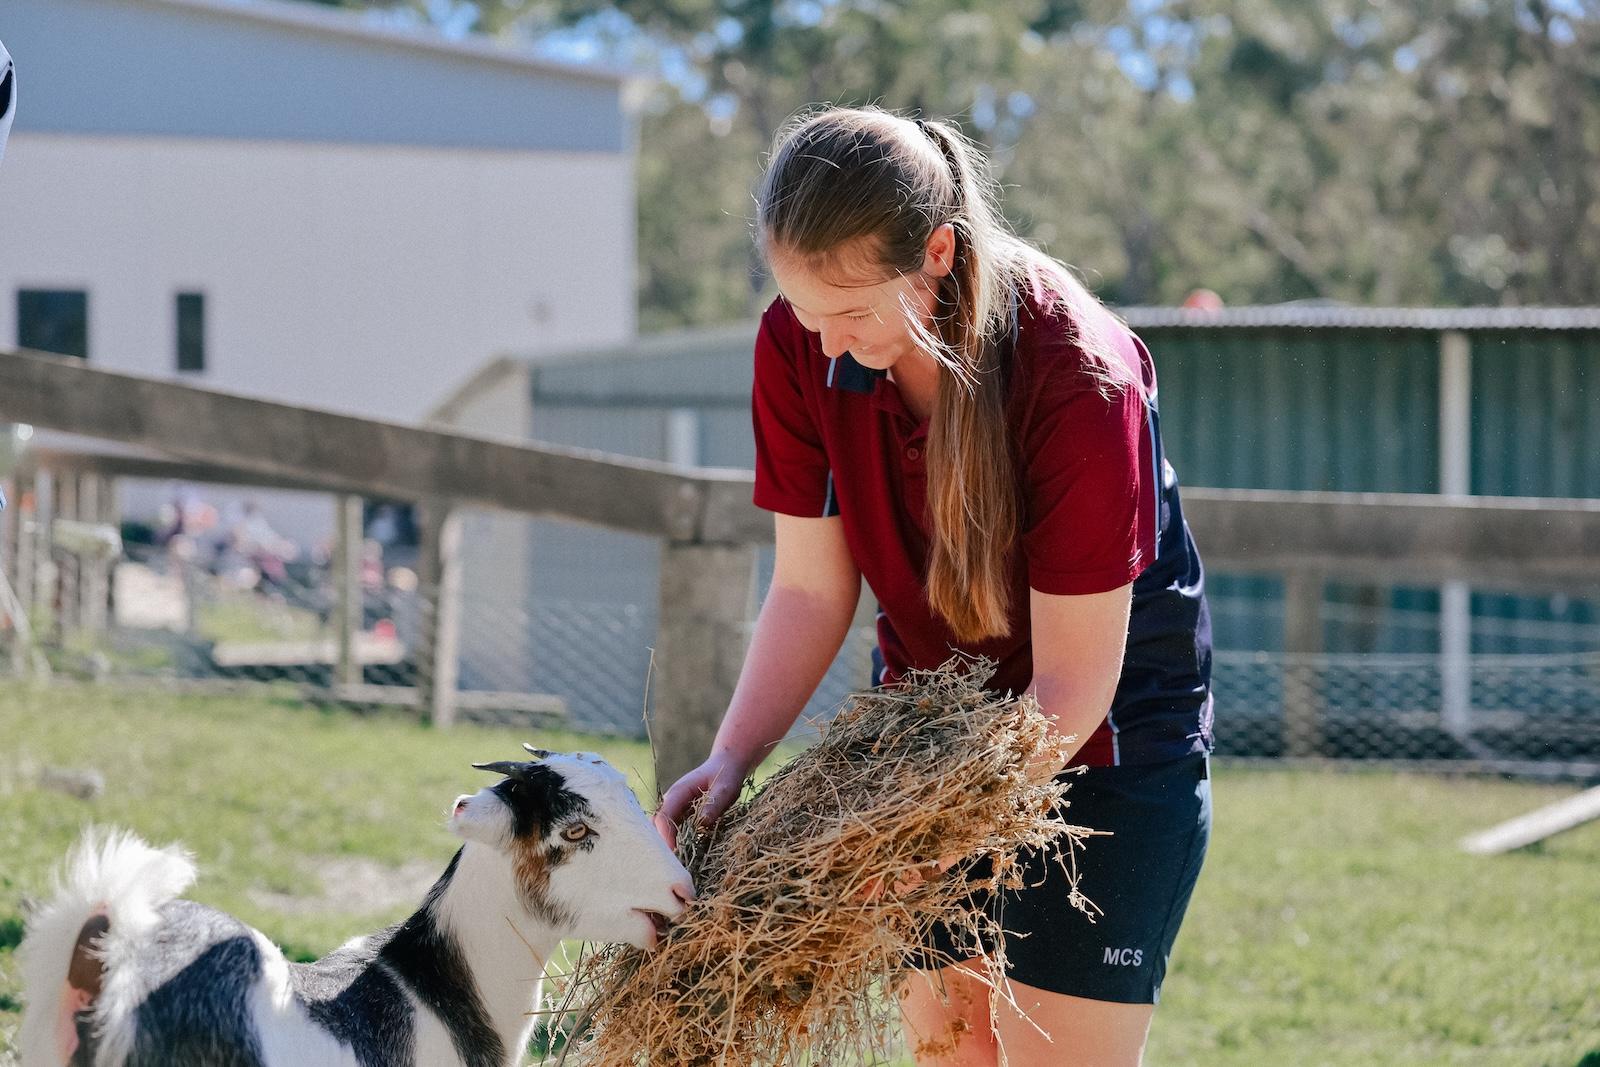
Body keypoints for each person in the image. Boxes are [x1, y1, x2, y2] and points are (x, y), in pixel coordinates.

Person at [654, 106, 1214, 1066]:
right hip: (925, 737)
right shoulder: (804, 344)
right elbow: (808, 589)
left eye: (855, 313)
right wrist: (734, 755)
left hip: (1105, 752)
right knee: (950, 1049)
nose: (826, 345)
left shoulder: (1078, 375)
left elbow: (1072, 689)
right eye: (806, 313)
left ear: (939, 253)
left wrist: (930, 828)